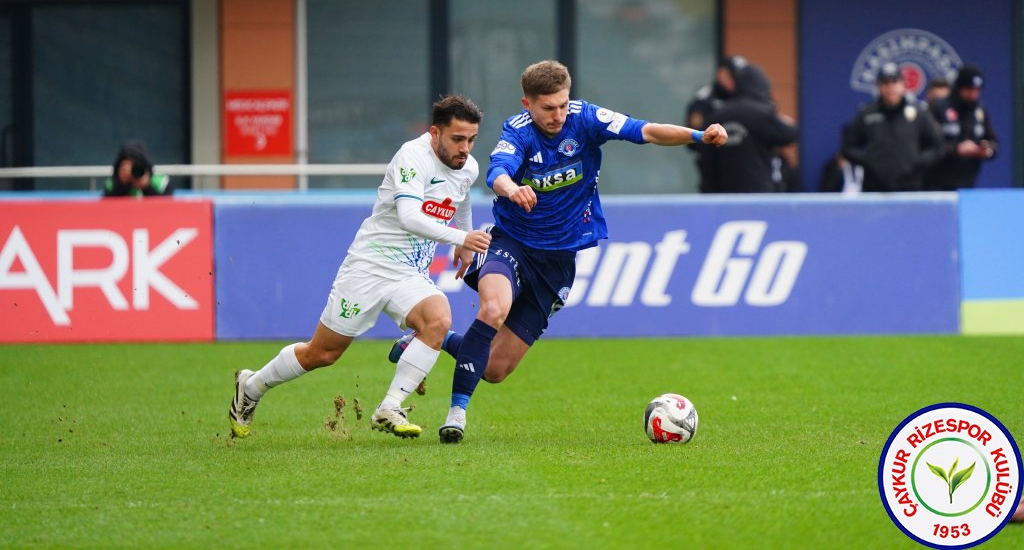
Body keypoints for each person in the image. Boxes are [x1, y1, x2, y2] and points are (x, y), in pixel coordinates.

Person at [391, 60, 727, 443]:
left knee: (496, 369)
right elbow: (497, 172)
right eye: (548, 107)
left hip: (558, 263)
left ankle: (430, 340)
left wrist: (699, 136)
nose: (558, 115)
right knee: (493, 309)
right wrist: (512, 189)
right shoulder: (518, 131)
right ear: (528, 104)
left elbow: (646, 131)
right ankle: (457, 414)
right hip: (512, 243)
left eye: (563, 105)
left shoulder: (586, 119)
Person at [228, 95, 492, 439]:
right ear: (434, 133)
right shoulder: (412, 157)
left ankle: (389, 407)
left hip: (409, 273)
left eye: (471, 140)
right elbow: (409, 217)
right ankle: (251, 386)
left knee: (438, 320)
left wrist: (463, 243)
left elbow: (463, 195)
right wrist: (461, 236)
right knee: (323, 353)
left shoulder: (467, 166)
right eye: (457, 139)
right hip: (370, 266)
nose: (465, 148)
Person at [839, 62, 944, 192]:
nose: (890, 87)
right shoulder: (867, 114)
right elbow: (847, 147)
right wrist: (868, 160)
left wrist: (917, 162)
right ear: (878, 86)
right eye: (885, 83)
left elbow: (937, 147)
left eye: (895, 82)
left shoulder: (918, 113)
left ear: (903, 85)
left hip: (910, 187)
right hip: (874, 187)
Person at [700, 57, 799, 193]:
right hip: (757, 192)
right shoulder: (761, 114)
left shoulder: (717, 115)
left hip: (720, 193)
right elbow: (791, 133)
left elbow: (699, 144)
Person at [924, 64, 998, 190]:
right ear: (959, 88)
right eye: (969, 89)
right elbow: (927, 146)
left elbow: (993, 142)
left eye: (977, 90)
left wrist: (987, 150)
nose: (973, 94)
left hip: (968, 185)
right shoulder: (938, 107)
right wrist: (956, 149)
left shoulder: (978, 110)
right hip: (936, 184)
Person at [102, 140, 173, 197]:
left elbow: (168, 207)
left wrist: (147, 188)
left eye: (136, 165)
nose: (133, 170)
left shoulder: (161, 183)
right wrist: (121, 185)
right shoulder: (111, 184)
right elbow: (105, 207)